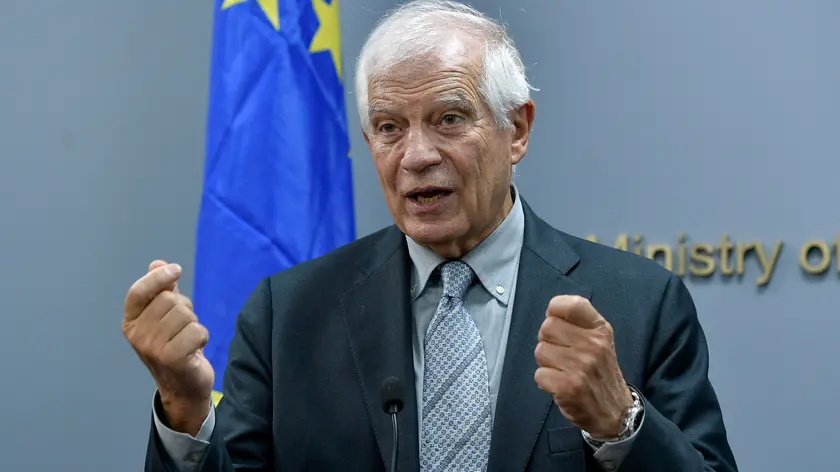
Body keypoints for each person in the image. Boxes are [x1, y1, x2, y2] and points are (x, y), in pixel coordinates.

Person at [123, 1, 739, 471]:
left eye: (448, 118)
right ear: (369, 146)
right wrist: (184, 408)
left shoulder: (639, 304)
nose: (416, 156)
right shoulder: (288, 314)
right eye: (389, 128)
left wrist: (620, 426)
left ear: (517, 129)